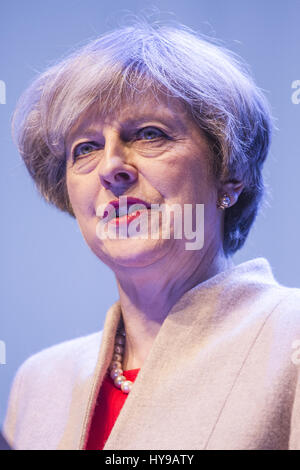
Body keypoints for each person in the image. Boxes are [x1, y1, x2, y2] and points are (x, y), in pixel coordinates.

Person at [3, 20, 300, 450]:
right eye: (85, 147)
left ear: (230, 174)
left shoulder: (290, 337)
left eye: (149, 134)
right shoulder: (39, 381)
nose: (110, 167)